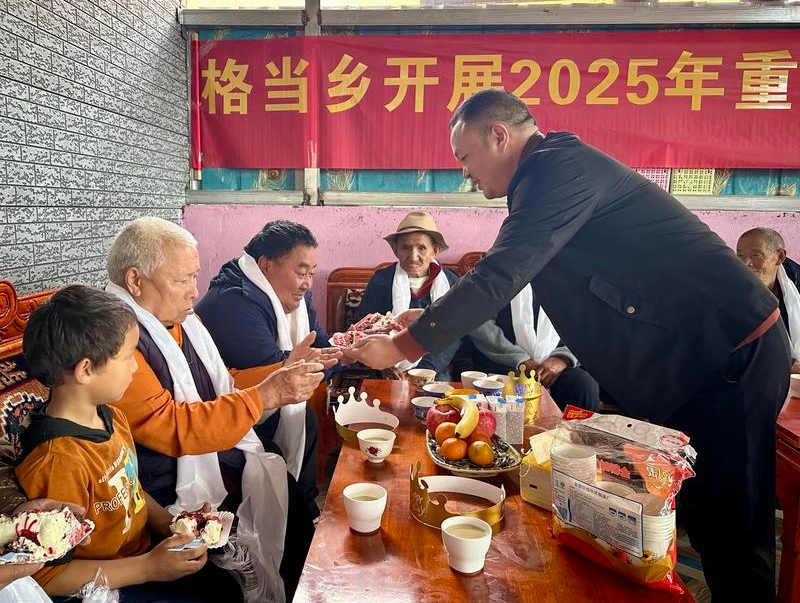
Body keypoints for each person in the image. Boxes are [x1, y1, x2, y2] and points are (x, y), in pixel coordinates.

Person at [348, 89, 790, 603]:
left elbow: (500, 273)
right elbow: (501, 276)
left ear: (499, 136)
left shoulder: (559, 171)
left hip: (731, 354)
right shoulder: (548, 175)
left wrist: (402, 346)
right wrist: (421, 319)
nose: (464, 173)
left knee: (735, 527)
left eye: (465, 157)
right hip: (693, 363)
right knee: (703, 513)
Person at [105, 217, 328, 603]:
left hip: (216, 454)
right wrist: (265, 396)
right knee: (240, 568)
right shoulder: (116, 339)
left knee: (291, 503)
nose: (195, 292)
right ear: (135, 280)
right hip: (168, 484)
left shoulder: (181, 322)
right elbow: (170, 426)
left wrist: (281, 371)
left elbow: (224, 382)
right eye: (182, 280)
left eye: (195, 276)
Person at [16, 285, 233, 602]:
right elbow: (48, 577)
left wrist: (174, 524)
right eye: (129, 357)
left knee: (225, 586)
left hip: (140, 557)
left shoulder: (111, 416)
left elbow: (130, 487)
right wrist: (148, 568)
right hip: (104, 585)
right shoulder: (59, 460)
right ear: (86, 370)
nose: (135, 367)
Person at [196, 220, 342, 519]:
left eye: (311, 274)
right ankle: (296, 515)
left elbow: (319, 343)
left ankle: (303, 510)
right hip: (227, 409)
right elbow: (284, 376)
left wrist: (344, 351)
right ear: (265, 265)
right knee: (301, 418)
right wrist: (329, 359)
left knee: (305, 417)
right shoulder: (234, 302)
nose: (308, 284)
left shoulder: (296, 297)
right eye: (301, 273)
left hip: (263, 398)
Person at [355, 211, 461, 380]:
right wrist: (386, 365)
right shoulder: (381, 281)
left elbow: (454, 335)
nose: (413, 256)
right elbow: (366, 328)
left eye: (422, 248)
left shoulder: (452, 283)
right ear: (395, 250)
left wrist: (426, 369)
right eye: (405, 247)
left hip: (434, 368)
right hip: (386, 367)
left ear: (434, 250)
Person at [467, 285, 600, 410]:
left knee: (583, 385)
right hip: (504, 361)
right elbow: (479, 322)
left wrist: (563, 358)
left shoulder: (575, 278)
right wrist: (519, 359)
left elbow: (588, 329)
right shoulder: (499, 275)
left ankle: (574, 429)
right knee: (496, 386)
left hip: (559, 366)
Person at [737, 227, 800, 374]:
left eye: (756, 255)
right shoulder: (730, 293)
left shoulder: (796, 284)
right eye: (740, 255)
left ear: (780, 257)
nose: (745, 263)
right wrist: (788, 364)